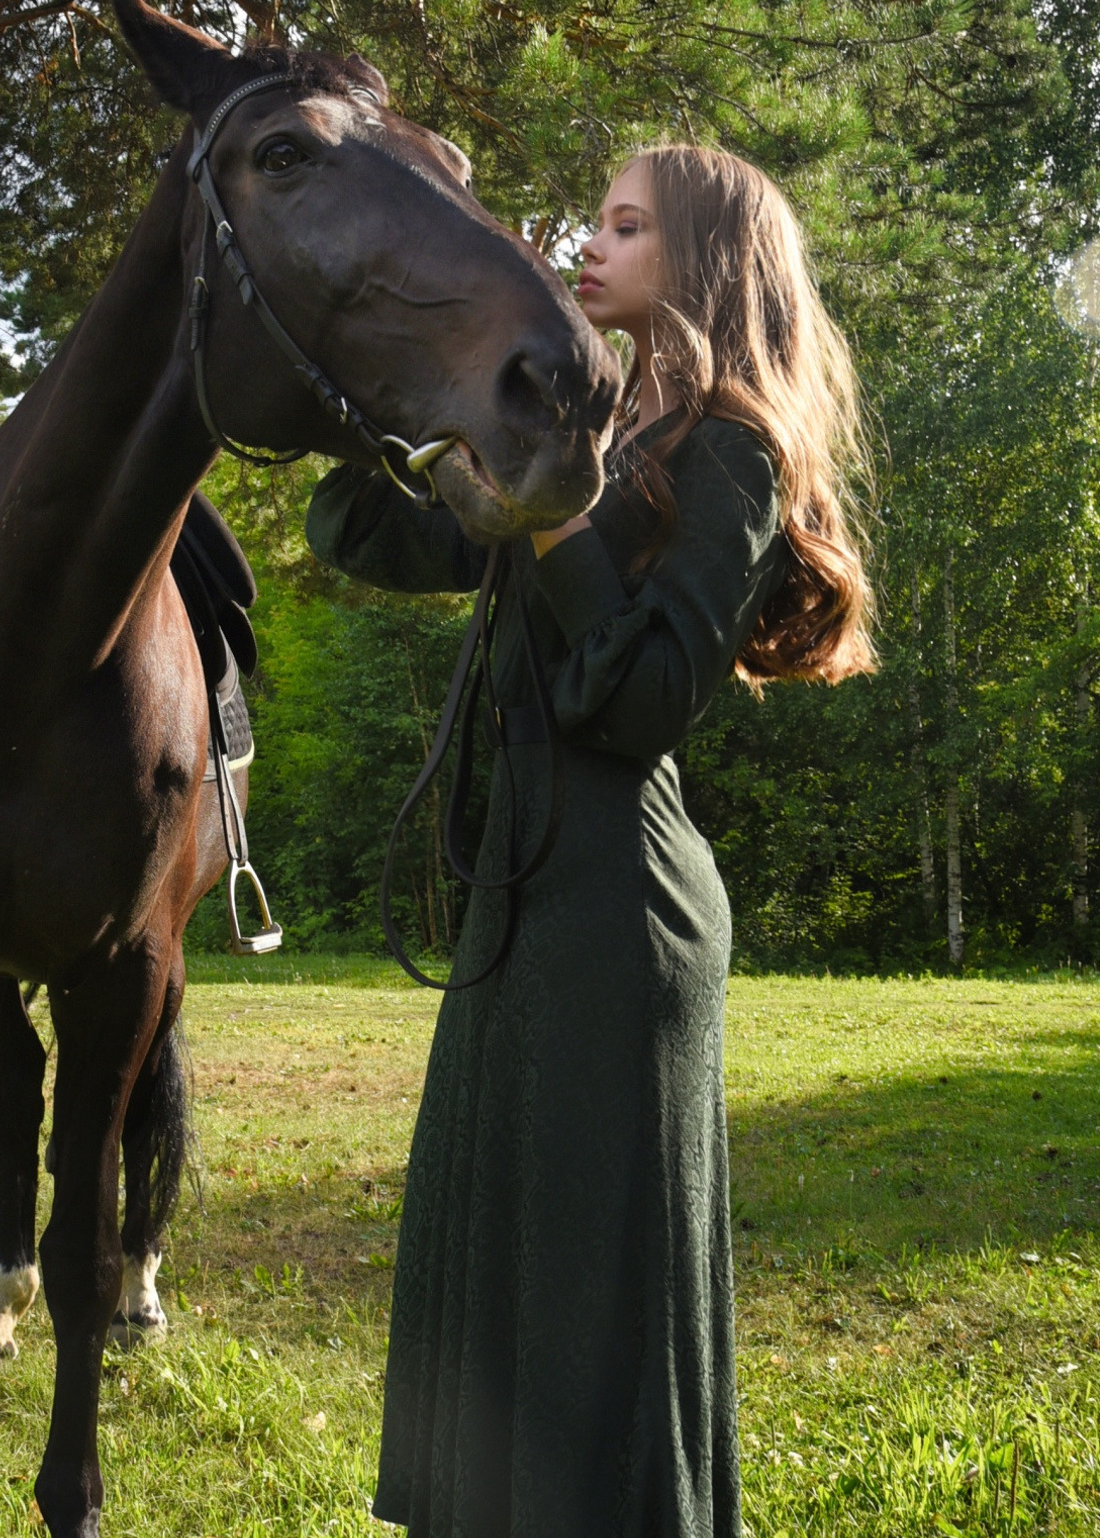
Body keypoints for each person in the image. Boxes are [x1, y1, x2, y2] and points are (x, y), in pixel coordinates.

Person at [305, 144, 875, 1538]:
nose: (591, 241)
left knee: (587, 1305)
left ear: (701, 258)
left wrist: (548, 523)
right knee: (493, 1278)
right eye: (597, 219)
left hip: (620, 918)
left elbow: (638, 705)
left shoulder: (733, 448)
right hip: (518, 897)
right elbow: (380, 538)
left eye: (627, 226)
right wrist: (368, 394)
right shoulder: (591, 427)